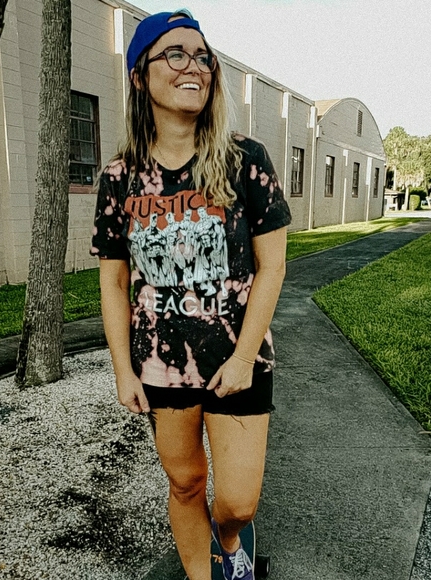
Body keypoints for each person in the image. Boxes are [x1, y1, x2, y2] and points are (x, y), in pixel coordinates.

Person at [91, 9, 291, 580]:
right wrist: (123, 370)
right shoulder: (120, 178)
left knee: (237, 502)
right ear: (140, 76)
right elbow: (114, 282)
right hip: (161, 363)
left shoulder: (245, 159)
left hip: (238, 357)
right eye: (175, 54)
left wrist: (245, 356)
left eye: (202, 57)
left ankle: (230, 542)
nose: (193, 66)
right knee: (185, 483)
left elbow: (272, 267)